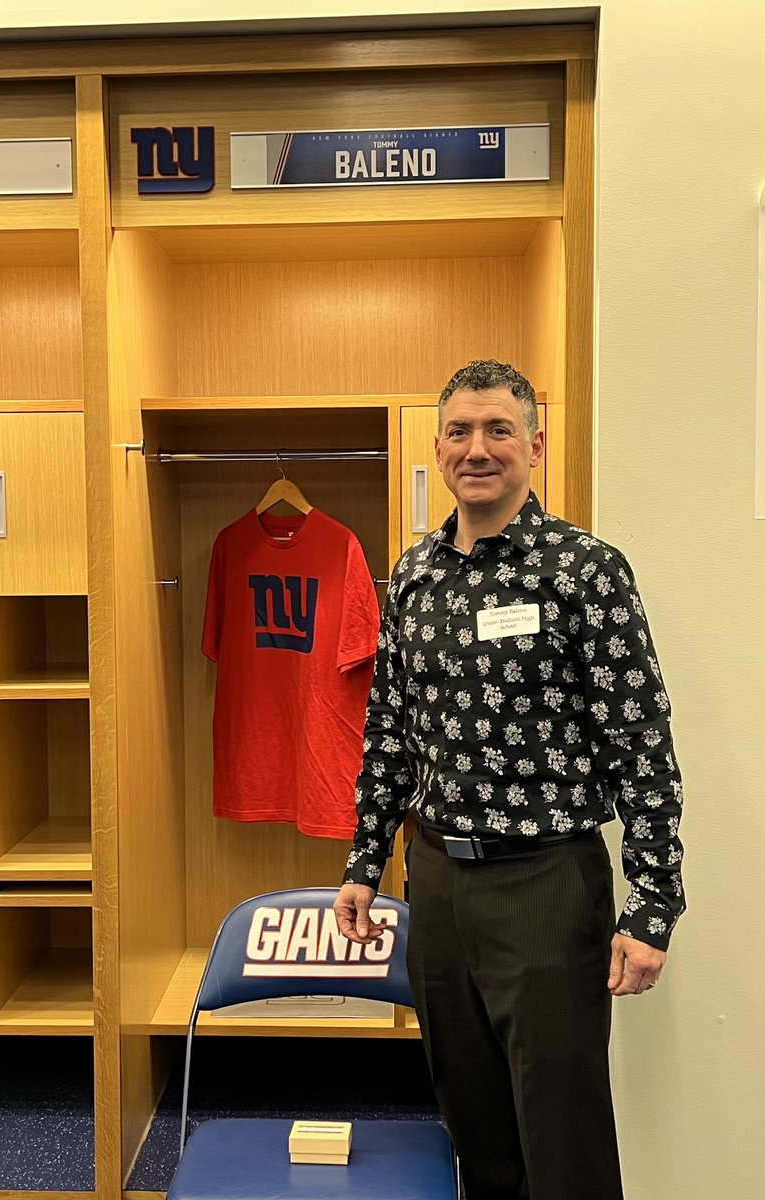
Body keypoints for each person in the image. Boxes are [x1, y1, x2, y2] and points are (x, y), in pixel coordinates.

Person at [334, 360, 684, 1200]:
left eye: (497, 430)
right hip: (441, 890)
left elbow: (640, 743)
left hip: (547, 887)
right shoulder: (413, 575)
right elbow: (390, 732)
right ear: (439, 447)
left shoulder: (584, 571)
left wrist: (654, 905)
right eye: (460, 431)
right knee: (475, 1132)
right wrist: (363, 862)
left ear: (534, 444)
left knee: (561, 1138)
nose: (477, 448)